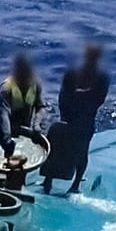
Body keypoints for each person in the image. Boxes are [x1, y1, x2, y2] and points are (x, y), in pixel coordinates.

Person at [46, 42, 110, 194]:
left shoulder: (102, 77)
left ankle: (75, 184)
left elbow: (99, 98)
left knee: (82, 152)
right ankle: (47, 180)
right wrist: (65, 113)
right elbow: (64, 95)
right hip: (68, 116)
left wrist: (81, 97)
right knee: (56, 148)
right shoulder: (72, 73)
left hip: (86, 119)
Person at [0, 52, 44, 155]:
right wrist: (7, 138)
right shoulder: (6, 88)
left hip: (25, 127)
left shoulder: (35, 85)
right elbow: (3, 114)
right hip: (5, 129)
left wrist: (36, 124)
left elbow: (41, 107)